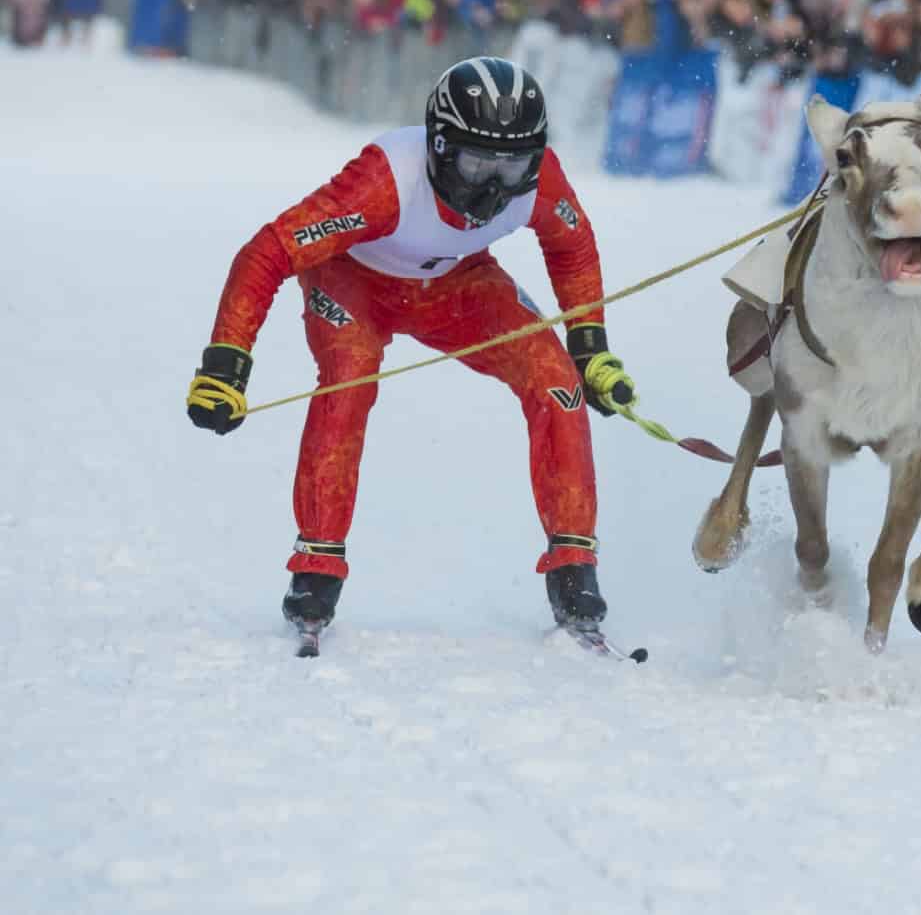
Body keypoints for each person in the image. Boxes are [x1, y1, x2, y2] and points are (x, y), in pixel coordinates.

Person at [184, 57, 636, 644]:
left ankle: (575, 569)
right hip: (352, 280)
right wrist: (227, 363)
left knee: (558, 382)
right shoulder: (384, 179)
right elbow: (267, 251)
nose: (496, 187)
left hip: (457, 283)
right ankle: (316, 572)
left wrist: (590, 347)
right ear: (440, 148)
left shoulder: (541, 178)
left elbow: (572, 249)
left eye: (515, 164)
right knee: (350, 378)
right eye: (477, 163)